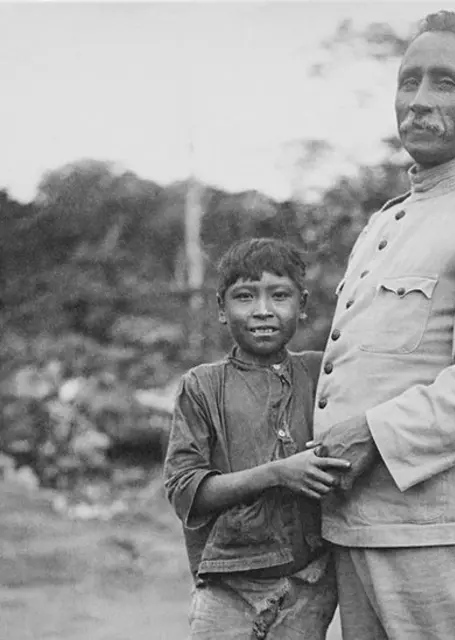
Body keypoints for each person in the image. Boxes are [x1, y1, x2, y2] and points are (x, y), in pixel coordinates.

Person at [310, 10, 455, 639]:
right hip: (353, 520)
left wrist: (373, 435)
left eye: (444, 82)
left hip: (431, 530)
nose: (416, 101)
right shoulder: (385, 223)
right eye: (407, 81)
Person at [163, 238, 351, 640]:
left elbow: (389, 402)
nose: (263, 310)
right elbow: (184, 490)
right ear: (220, 307)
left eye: (279, 296)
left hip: (311, 582)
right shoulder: (202, 386)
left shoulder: (322, 373)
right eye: (245, 296)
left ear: (301, 305)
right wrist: (276, 473)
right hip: (228, 585)